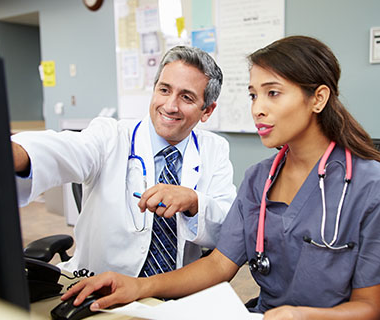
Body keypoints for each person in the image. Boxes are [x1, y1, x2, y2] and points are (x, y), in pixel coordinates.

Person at [62, 36, 380, 319]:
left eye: (273, 94)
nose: (258, 109)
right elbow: (218, 265)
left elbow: (369, 309)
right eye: (253, 95)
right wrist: (138, 287)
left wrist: (299, 315)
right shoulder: (260, 179)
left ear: (318, 99)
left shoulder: (377, 189)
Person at [12, 46, 237, 278]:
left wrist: (194, 202)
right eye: (164, 90)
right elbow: (63, 150)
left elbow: (226, 226)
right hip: (101, 285)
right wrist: (14, 153)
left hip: (174, 291)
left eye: (186, 97)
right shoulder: (110, 134)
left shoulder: (214, 149)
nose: (170, 106)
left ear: (207, 110)